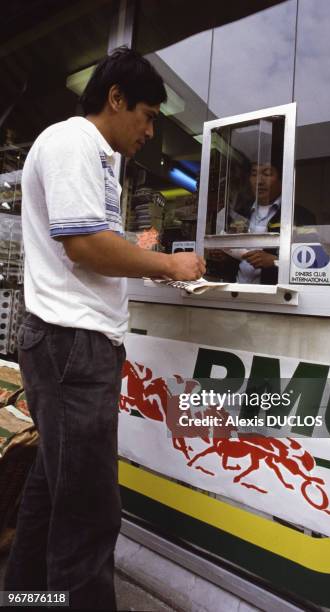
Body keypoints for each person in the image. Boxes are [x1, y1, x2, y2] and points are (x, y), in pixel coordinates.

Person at [4, 46, 205, 610]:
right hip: (71, 345)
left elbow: (95, 243)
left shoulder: (95, 156)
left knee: (52, 488)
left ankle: (23, 599)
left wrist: (139, 258)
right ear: (115, 98)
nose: (148, 131)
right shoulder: (74, 142)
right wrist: (171, 264)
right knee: (90, 511)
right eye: (146, 115)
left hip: (74, 344)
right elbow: (86, 245)